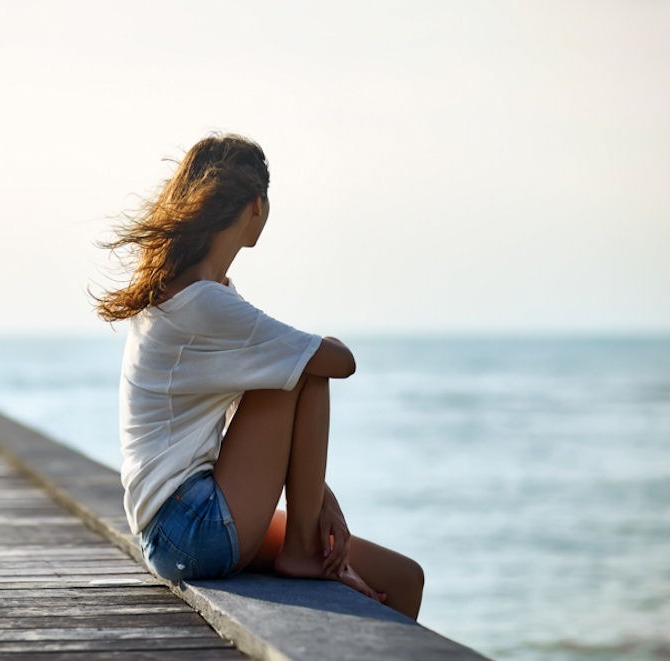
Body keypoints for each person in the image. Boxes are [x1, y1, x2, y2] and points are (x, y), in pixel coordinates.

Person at [95, 133, 424, 620]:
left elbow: (248, 411)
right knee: (311, 364)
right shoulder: (204, 304)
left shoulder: (193, 293)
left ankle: (304, 544)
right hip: (189, 526)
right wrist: (307, 517)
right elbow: (338, 361)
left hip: (180, 525)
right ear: (257, 206)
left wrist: (321, 501)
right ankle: (300, 552)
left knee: (402, 579)